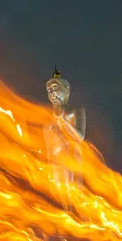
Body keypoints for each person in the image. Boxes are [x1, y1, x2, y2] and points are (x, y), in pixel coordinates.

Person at [44, 67, 86, 212]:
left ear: (66, 89)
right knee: (60, 199)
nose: (52, 92)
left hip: (72, 157)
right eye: (49, 90)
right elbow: (49, 148)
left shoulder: (76, 111)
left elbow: (79, 136)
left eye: (55, 87)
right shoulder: (48, 121)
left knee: (73, 196)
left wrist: (63, 119)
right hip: (57, 162)